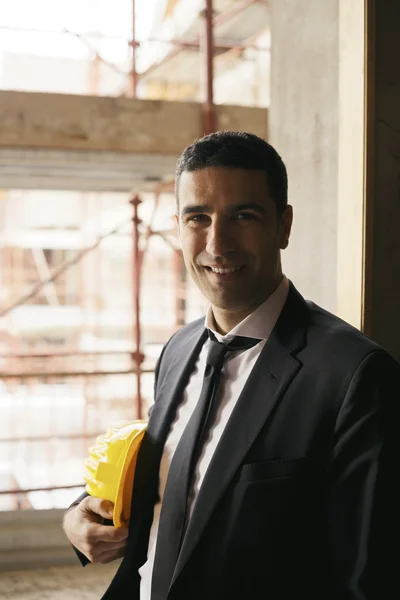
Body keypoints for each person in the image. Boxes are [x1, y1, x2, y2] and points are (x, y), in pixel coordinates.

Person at [63, 131, 399, 600]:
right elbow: (178, 484)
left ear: (284, 226)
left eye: (243, 216)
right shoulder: (177, 350)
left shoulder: (355, 375)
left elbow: (369, 578)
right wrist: (83, 513)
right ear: (179, 225)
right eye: (198, 217)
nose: (217, 244)